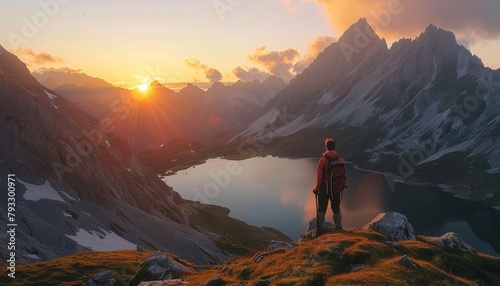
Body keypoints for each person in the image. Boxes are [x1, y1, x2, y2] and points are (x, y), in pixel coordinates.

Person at [312, 138, 347, 235]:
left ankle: (319, 229)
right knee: (336, 208)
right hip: (336, 189)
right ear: (334, 147)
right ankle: (339, 227)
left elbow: (320, 176)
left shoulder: (323, 160)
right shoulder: (340, 160)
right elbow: (343, 175)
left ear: (326, 147)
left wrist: (317, 188)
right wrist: (344, 184)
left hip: (324, 189)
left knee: (321, 209)